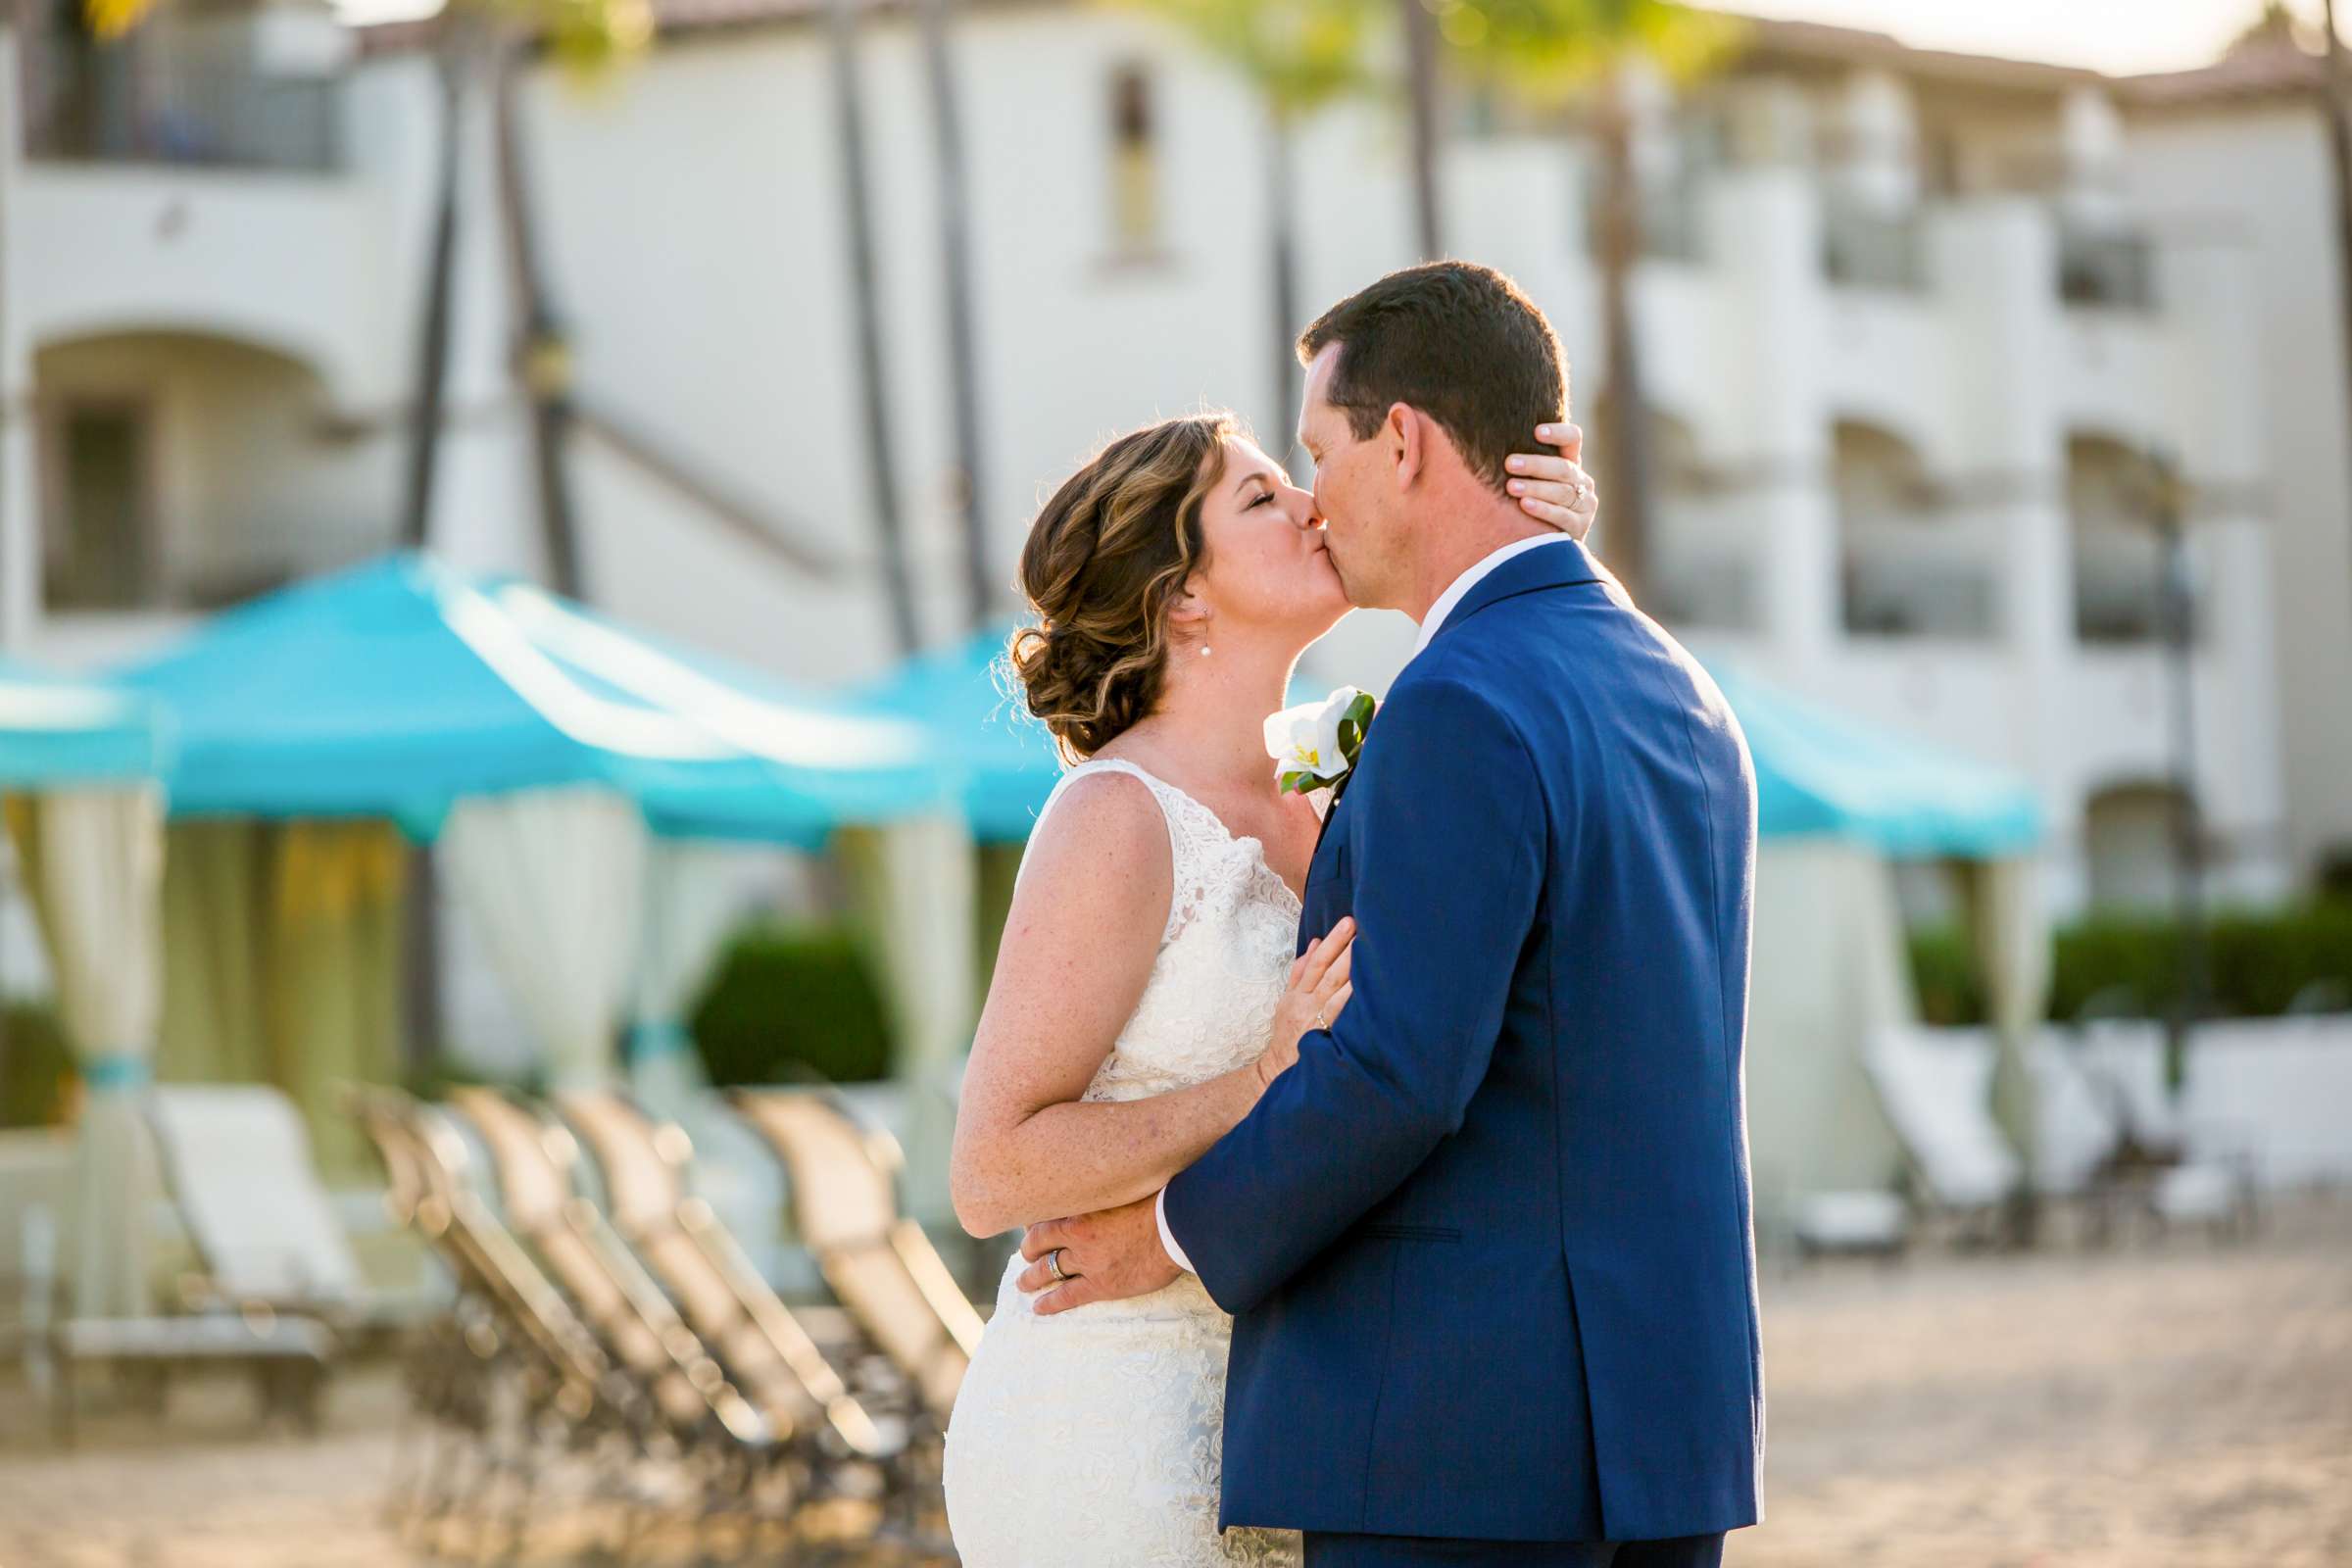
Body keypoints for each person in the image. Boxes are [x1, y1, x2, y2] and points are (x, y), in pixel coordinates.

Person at [1004, 263, 1765, 1567]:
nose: (1312, 498)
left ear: (1402, 440)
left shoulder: (1460, 704)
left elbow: (1401, 1073)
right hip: (1659, 1422)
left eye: (1317, 452)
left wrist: (1172, 1236)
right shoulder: (1678, 686)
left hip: (1462, 1441)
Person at [943, 363, 1598, 1564]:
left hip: (1294, 1420)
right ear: (1182, 597)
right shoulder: (1117, 817)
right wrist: (1252, 1086)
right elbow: (990, 1169)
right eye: (1259, 499)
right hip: (1112, 1424)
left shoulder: (1337, 775)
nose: (1311, 503)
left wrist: (1529, 544)